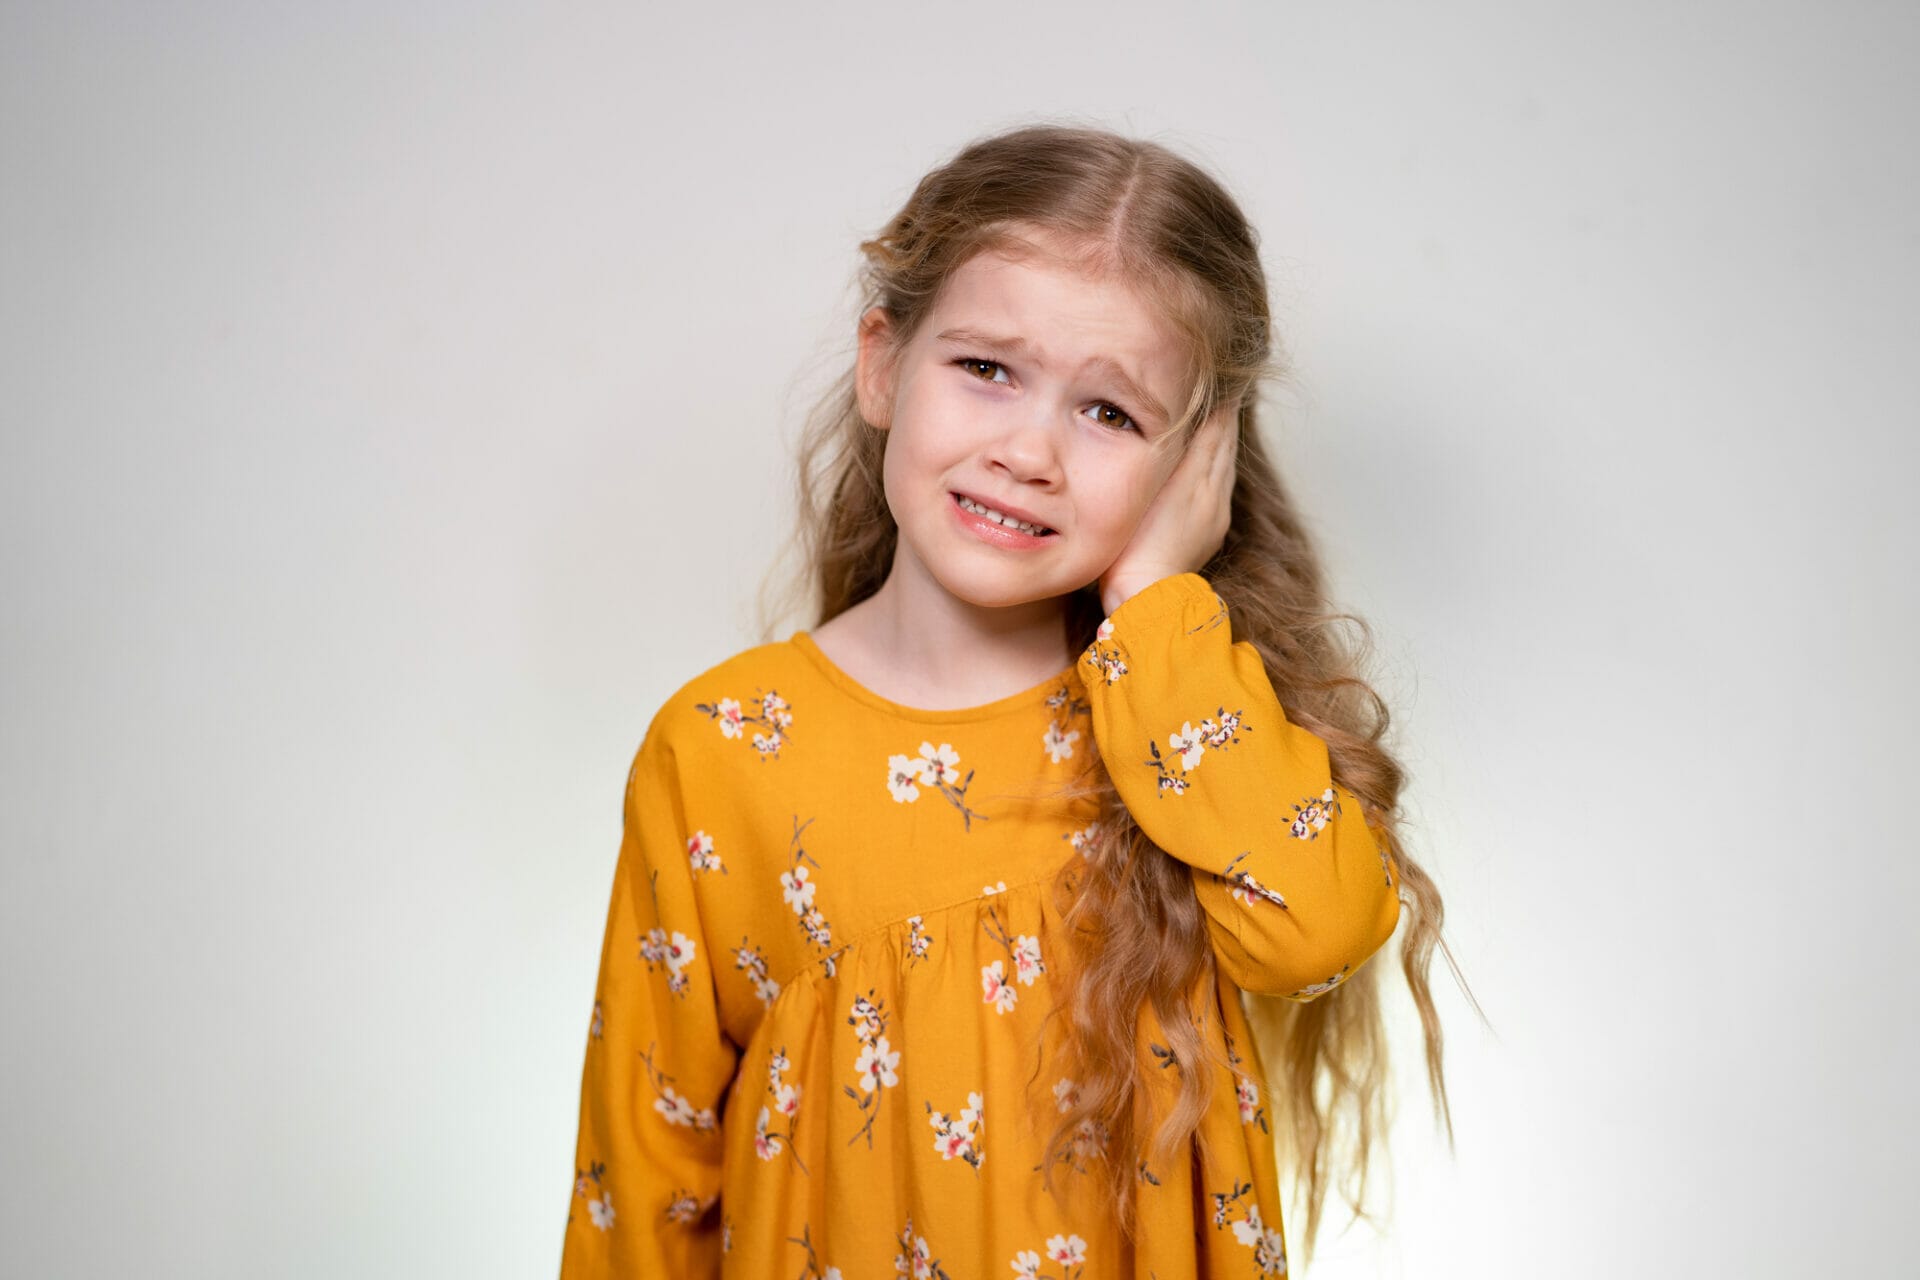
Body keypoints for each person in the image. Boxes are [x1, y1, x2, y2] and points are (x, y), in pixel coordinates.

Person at [556, 123, 1455, 1278]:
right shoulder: (725, 746)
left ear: (1197, 466)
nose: (1030, 450)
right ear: (883, 362)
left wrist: (1158, 607)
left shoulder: (1177, 727)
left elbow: (1319, 924)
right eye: (987, 369)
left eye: (1111, 413)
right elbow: (643, 1170)